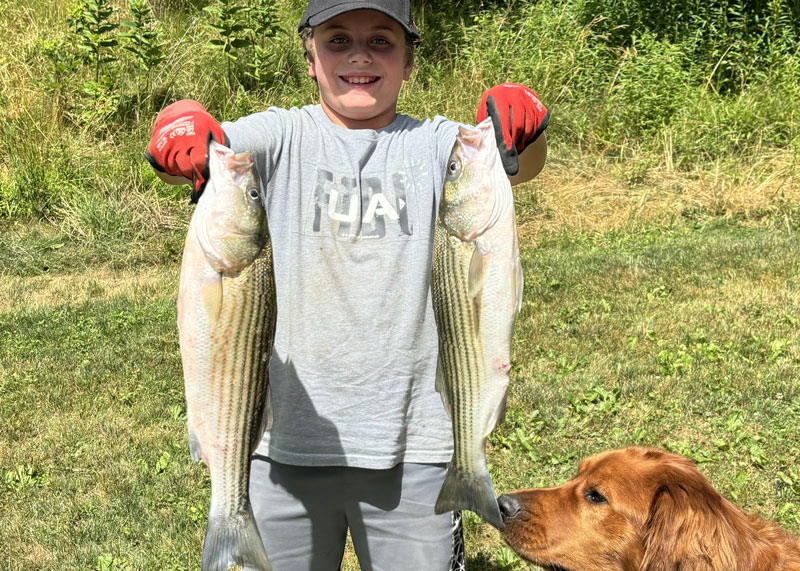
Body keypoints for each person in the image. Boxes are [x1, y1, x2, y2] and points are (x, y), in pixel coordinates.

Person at [145, 1, 549, 569]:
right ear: (310, 57)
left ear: (409, 60)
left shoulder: (435, 145)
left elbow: (516, 163)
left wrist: (524, 126)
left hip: (416, 451)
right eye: (338, 40)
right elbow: (197, 155)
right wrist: (179, 121)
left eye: (381, 41)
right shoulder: (281, 135)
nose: (359, 56)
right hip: (280, 449)